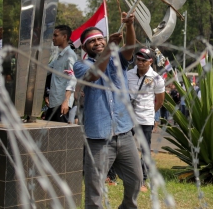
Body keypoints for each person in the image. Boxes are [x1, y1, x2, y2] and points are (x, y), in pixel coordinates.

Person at [73, 13, 142, 209]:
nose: (97, 43)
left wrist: (129, 25)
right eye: (91, 41)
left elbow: (130, 48)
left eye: (100, 39)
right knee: (95, 186)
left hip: (124, 133)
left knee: (136, 179)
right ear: (85, 47)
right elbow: (95, 74)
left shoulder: (117, 59)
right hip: (99, 138)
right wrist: (109, 49)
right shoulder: (80, 65)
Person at [127, 47, 165, 192]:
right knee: (120, 146)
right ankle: (113, 175)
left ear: (150, 62)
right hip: (128, 118)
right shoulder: (128, 74)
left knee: (145, 150)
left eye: (143, 60)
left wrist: (151, 114)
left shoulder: (157, 78)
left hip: (145, 119)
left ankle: (142, 180)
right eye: (138, 59)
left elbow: (160, 101)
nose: (140, 62)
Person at [45, 25, 77, 122]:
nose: (53, 38)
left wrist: (66, 101)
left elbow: (72, 80)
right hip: (54, 103)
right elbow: (46, 70)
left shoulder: (70, 55)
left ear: (64, 37)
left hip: (62, 104)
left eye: (56, 35)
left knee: (60, 135)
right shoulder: (59, 55)